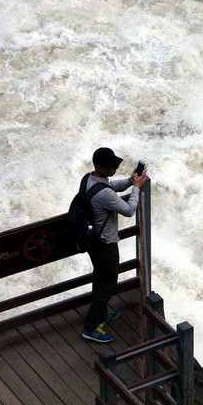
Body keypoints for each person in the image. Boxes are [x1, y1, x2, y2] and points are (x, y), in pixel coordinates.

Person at [80, 146, 148, 343]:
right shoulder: (104, 195)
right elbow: (128, 210)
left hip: (93, 240)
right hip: (106, 244)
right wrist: (136, 188)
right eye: (111, 166)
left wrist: (129, 181)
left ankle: (101, 312)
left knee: (100, 278)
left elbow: (108, 187)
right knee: (107, 285)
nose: (115, 168)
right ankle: (91, 327)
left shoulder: (89, 179)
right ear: (100, 167)